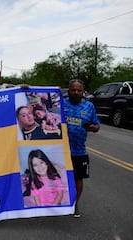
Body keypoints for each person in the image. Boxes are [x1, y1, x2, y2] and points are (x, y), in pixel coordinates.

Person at [64, 79, 100, 218]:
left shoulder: (89, 106)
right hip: (60, 150)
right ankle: (57, 204)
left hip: (79, 151)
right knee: (57, 177)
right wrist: (23, 88)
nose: (76, 92)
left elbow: (96, 125)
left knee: (78, 179)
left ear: (83, 91)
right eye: (73, 89)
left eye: (79, 90)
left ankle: (74, 204)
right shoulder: (61, 102)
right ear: (69, 91)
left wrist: (94, 128)